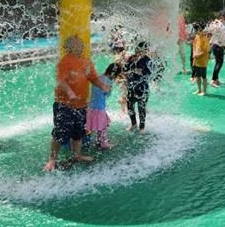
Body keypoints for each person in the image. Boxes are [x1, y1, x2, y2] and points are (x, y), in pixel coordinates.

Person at [44, 36, 110, 172]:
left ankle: (77, 155)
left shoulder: (87, 62)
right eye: (76, 44)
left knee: (78, 132)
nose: (80, 46)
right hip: (64, 104)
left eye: (81, 43)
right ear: (69, 47)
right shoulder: (65, 62)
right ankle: (52, 159)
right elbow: (61, 81)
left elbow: (93, 78)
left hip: (81, 105)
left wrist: (102, 85)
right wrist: (70, 93)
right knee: (59, 132)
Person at [86, 63, 120, 149]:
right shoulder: (108, 81)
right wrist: (110, 89)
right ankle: (103, 143)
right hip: (99, 106)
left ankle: (99, 141)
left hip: (92, 105)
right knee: (103, 125)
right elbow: (107, 93)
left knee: (100, 124)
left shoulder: (100, 76)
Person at [123, 42, 154, 132]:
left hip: (142, 88)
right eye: (138, 50)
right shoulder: (132, 59)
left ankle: (142, 127)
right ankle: (133, 124)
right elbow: (125, 69)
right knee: (130, 107)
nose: (139, 52)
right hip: (131, 87)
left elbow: (151, 74)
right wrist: (129, 72)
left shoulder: (148, 61)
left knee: (141, 108)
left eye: (141, 51)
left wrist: (142, 72)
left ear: (146, 51)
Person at [208, 13, 225, 87]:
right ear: (222, 17)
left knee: (217, 63)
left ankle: (216, 79)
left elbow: (209, 32)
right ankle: (213, 80)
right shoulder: (221, 26)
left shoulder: (213, 23)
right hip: (219, 46)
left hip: (214, 45)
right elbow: (223, 38)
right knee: (219, 63)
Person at [192, 24, 211, 96]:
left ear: (200, 29)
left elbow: (206, 50)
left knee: (204, 77)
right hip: (196, 59)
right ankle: (199, 89)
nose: (195, 31)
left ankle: (204, 91)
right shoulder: (197, 36)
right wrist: (194, 55)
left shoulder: (204, 38)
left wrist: (196, 55)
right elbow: (194, 46)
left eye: (196, 29)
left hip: (202, 60)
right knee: (197, 76)